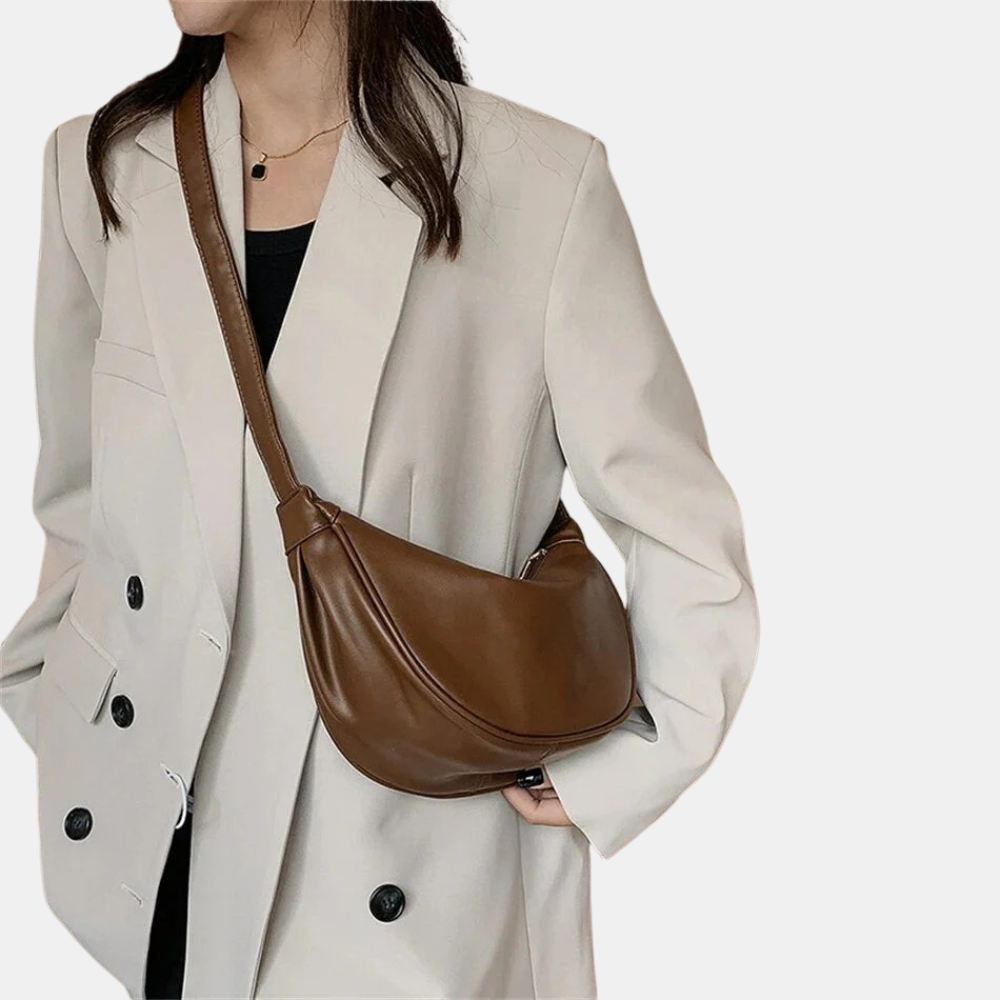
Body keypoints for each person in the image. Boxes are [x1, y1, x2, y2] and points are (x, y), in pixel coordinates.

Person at [0, 2, 760, 998]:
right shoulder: (102, 168)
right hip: (164, 863)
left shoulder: (535, 186)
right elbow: (81, 502)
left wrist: (616, 772)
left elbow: (682, 531)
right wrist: (60, 701)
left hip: (410, 877)